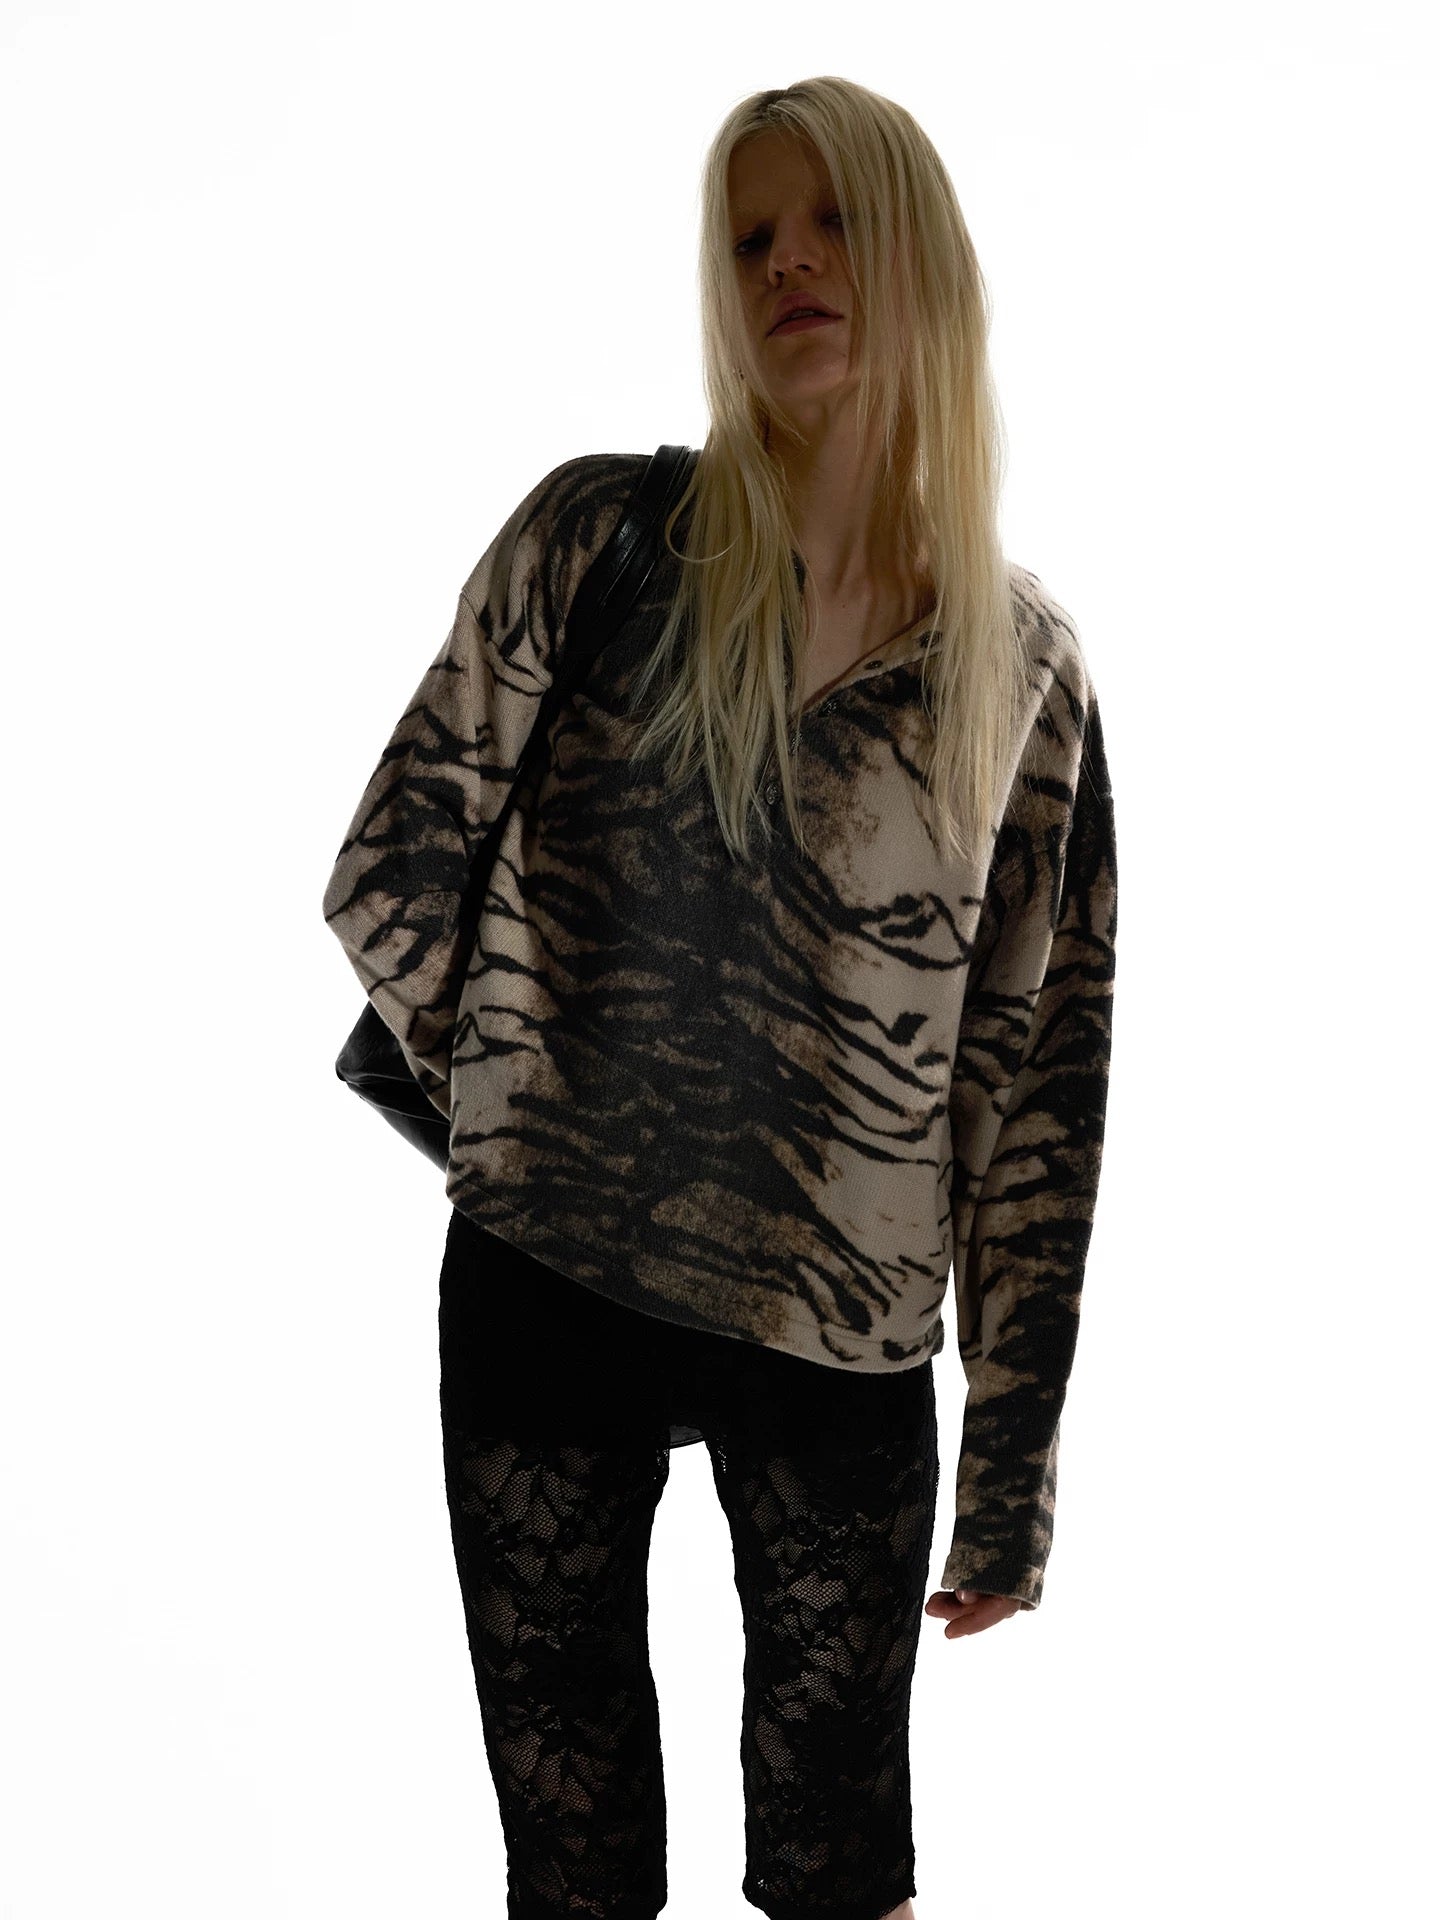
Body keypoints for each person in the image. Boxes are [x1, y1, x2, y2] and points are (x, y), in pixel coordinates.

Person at [323, 74, 1117, 1920]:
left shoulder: (1022, 672)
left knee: (844, 1875)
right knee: (575, 1876)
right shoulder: (600, 539)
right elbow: (392, 868)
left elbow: (1039, 1088)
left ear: (924, 260)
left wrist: (1009, 1465)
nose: (789, 265)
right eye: (751, 238)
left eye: (833, 222)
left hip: (839, 1336)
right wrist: (526, 1129)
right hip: (547, 1289)